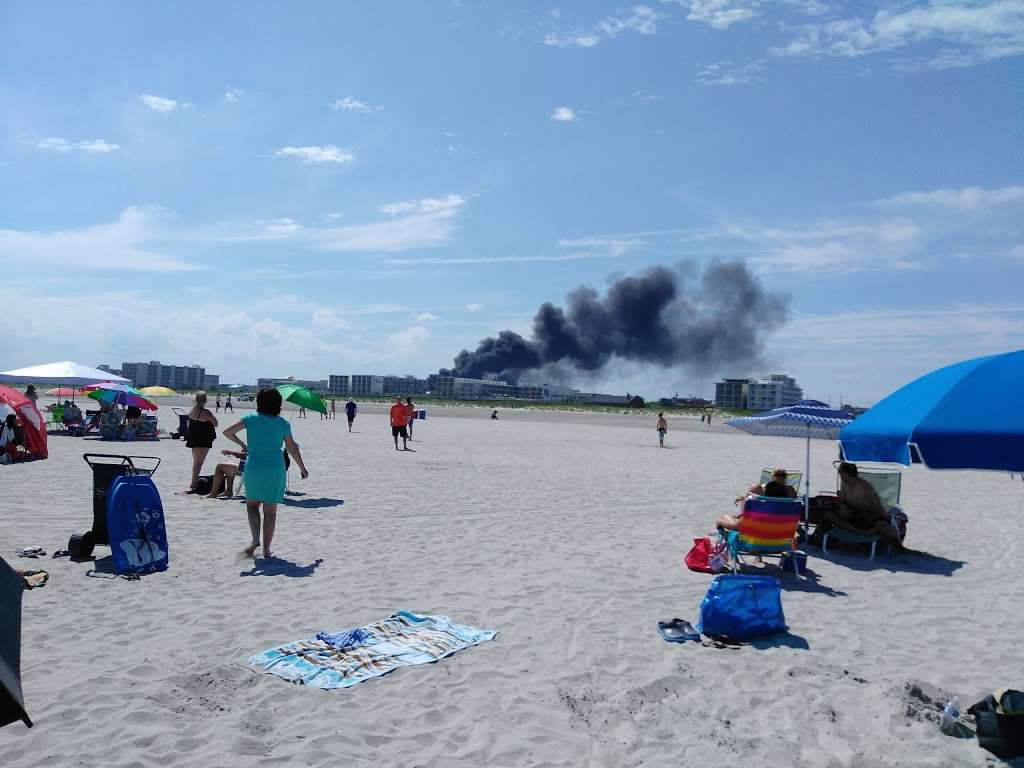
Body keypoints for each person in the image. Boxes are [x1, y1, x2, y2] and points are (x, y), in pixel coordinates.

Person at [222, 388, 309, 558]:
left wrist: (244, 445)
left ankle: (255, 539)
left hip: (254, 467)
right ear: (278, 404)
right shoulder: (283, 423)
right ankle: (266, 550)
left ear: (259, 402)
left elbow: (227, 432)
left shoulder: (250, 419)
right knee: (270, 512)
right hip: (275, 469)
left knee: (252, 505)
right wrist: (302, 468)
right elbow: (291, 449)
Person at [826, 462, 903, 549]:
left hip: (868, 517)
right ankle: (860, 532)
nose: (839, 474)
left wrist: (883, 518)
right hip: (853, 516)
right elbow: (843, 501)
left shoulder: (865, 487)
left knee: (881, 526)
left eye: (841, 472)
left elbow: (877, 508)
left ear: (848, 473)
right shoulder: (844, 484)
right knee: (829, 515)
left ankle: (899, 547)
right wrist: (840, 505)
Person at [717, 479, 792, 531]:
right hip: (781, 545)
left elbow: (736, 526)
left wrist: (720, 521)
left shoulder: (757, 510)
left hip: (755, 543)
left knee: (723, 518)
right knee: (734, 517)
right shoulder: (789, 511)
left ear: (765, 495)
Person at [184, 391, 218, 494]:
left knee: (196, 462)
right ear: (205, 400)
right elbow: (216, 423)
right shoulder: (205, 412)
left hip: (194, 438)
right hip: (202, 439)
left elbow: (188, 424)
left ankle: (193, 483)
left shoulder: (192, 410)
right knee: (199, 463)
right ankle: (193, 484)